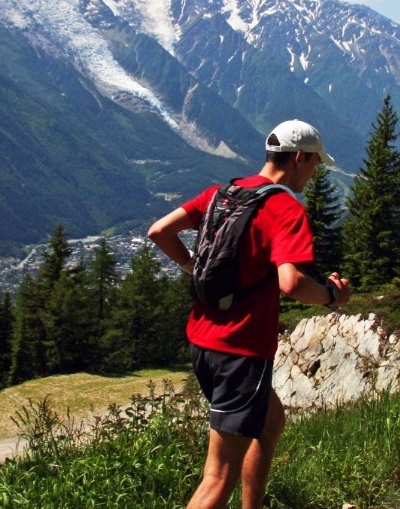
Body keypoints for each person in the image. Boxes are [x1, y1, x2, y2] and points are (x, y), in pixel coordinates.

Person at [148, 119, 353, 509]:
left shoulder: (221, 193)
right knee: (217, 478)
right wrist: (331, 296)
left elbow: (159, 231)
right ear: (299, 157)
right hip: (241, 351)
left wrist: (192, 266)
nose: (315, 173)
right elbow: (291, 283)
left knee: (271, 420)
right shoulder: (285, 209)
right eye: (315, 163)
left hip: (202, 341)